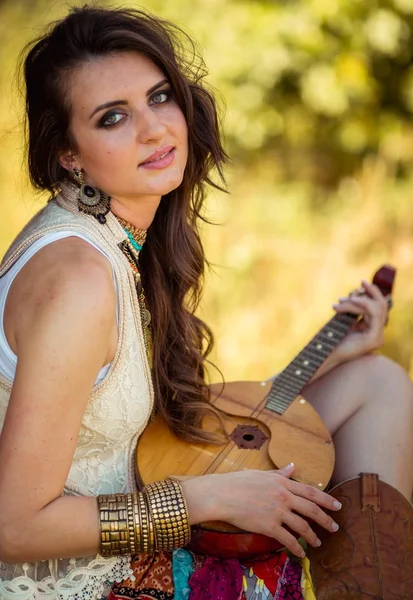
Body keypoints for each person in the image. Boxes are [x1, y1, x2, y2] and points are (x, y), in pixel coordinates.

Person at [0, 5, 412, 600]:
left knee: (376, 382)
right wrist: (207, 499)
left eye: (160, 97)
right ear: (69, 152)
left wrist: (330, 354)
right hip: (90, 577)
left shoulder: (111, 235)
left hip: (150, 501)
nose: (153, 129)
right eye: (113, 117)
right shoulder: (80, 280)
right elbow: (13, 525)